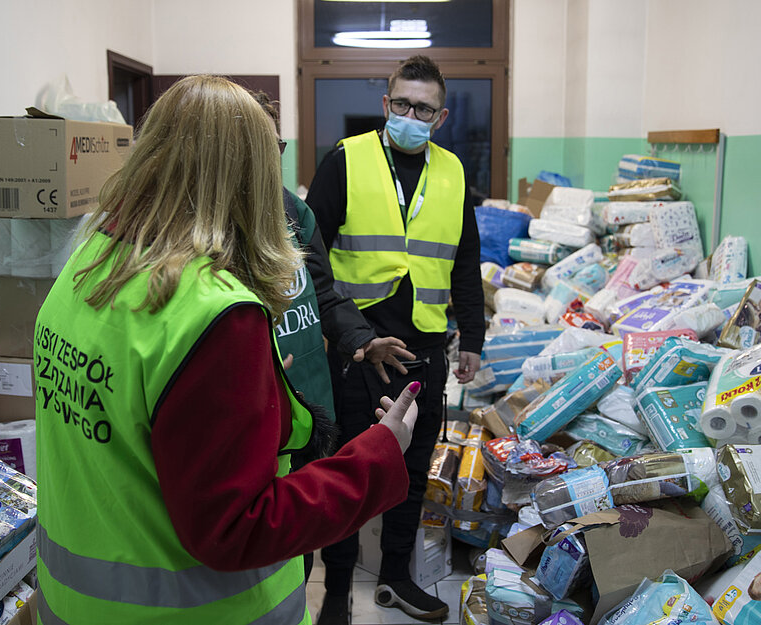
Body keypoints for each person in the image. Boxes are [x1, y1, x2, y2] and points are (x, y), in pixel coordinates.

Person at [32, 74, 423, 625]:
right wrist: (380, 453)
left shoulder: (91, 261)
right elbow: (239, 527)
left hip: (76, 602)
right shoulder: (212, 312)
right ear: (249, 175)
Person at [305, 55, 487, 623]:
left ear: (441, 115)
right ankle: (336, 592)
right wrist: (352, 335)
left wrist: (473, 336)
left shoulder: (454, 172)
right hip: (357, 350)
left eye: (424, 108)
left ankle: (393, 579)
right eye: (402, 104)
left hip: (423, 352)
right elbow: (309, 258)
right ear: (386, 105)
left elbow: (465, 261)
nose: (411, 114)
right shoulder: (345, 161)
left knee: (409, 474)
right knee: (346, 470)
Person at [250, 90, 418, 581]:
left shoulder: (289, 211)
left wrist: (362, 340)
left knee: (299, 542)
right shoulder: (211, 227)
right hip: (261, 405)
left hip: (309, 400)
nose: (268, 161)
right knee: (264, 534)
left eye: (274, 147)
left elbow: (320, 287)